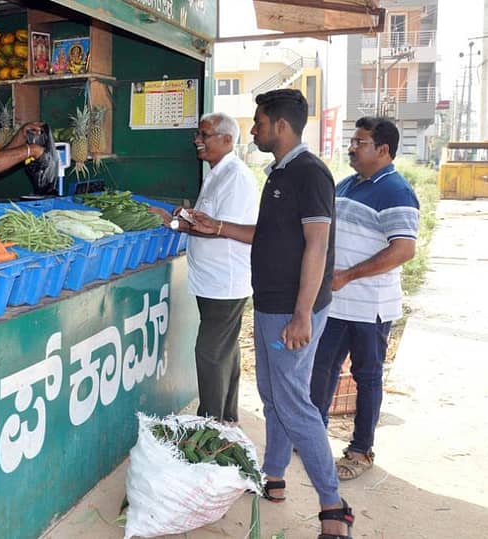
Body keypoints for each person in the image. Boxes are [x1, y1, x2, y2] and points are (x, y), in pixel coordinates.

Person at [190, 89, 354, 539]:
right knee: (272, 393)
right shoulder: (279, 173)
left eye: (260, 122)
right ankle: (274, 475)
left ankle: (333, 508)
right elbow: (269, 235)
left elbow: (317, 246)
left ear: (280, 125)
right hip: (269, 303)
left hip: (291, 309)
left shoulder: (310, 173)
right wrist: (218, 227)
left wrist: (302, 314)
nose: (255, 130)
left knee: (294, 403)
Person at [309, 117, 419, 481]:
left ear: (383, 150)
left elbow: (403, 250)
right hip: (336, 303)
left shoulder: (396, 192)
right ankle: (313, 435)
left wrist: (348, 275)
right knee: (321, 368)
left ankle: (360, 450)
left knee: (367, 377)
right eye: (352, 141)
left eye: (360, 142)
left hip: (369, 307)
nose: (352, 148)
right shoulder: (348, 184)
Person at [151, 112, 257, 423]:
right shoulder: (216, 173)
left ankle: (209, 425)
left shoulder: (235, 177)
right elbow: (206, 218)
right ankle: (227, 417)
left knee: (210, 353)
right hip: (212, 281)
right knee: (225, 349)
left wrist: (172, 223)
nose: (198, 140)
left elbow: (217, 228)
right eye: (198, 134)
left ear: (227, 140)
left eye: (204, 135)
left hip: (225, 282)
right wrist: (183, 214)